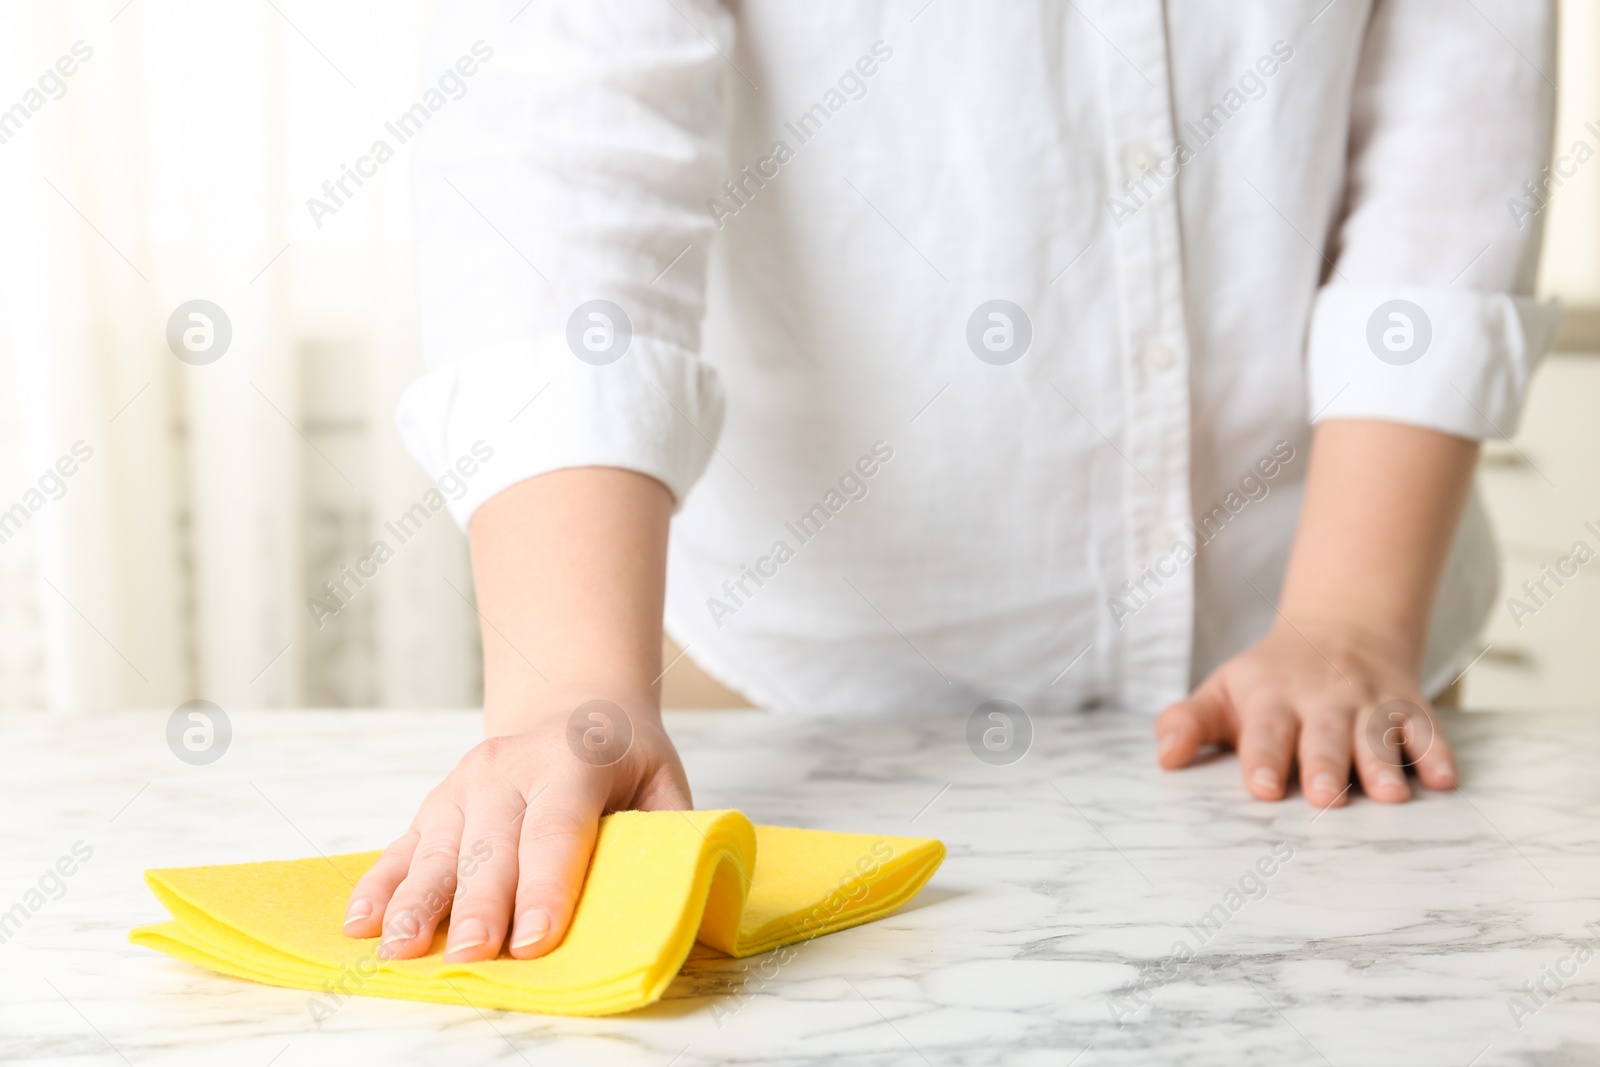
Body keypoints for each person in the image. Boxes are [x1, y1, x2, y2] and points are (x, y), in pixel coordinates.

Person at [340, 0, 1558, 965]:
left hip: (1333, 654)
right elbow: (569, 172)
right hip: (798, 672)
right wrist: (571, 690)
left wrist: (1348, 615)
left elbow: (1456, 141)